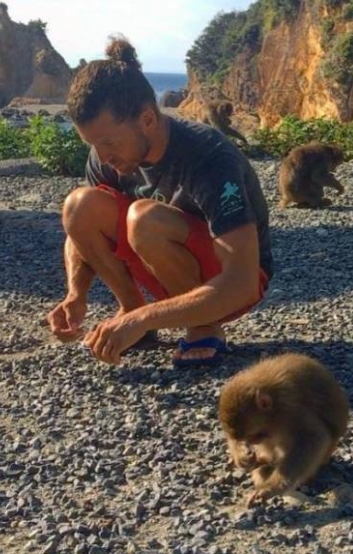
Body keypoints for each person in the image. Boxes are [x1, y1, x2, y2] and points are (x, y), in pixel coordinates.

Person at [46, 37, 273, 366]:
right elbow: (81, 233)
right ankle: (131, 306)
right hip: (164, 267)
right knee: (78, 206)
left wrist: (146, 318)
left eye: (109, 142)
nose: (103, 156)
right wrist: (76, 293)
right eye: (94, 145)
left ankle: (203, 326)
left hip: (234, 281)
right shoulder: (105, 156)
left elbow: (243, 282)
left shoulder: (208, 156)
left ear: (148, 120)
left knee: (144, 218)